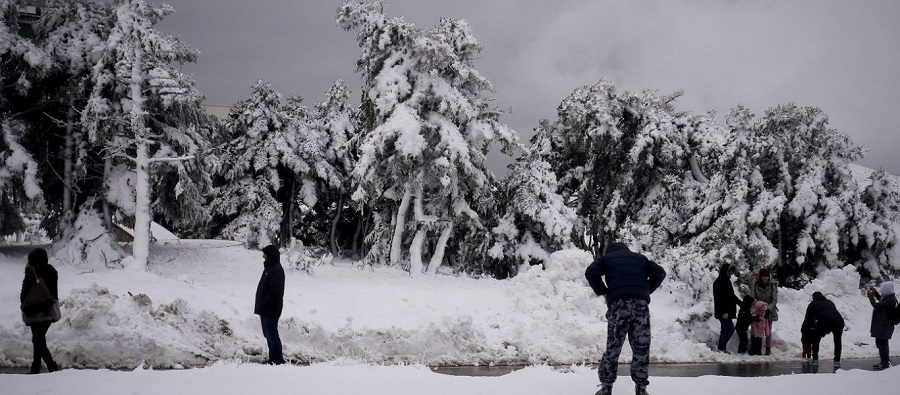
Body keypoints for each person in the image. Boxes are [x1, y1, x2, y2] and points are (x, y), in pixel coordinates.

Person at [585, 242, 667, 395]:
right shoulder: (640, 258)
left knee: (613, 348)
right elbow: (660, 273)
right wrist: (645, 290)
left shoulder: (606, 259)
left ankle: (606, 388)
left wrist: (604, 292)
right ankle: (641, 389)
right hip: (640, 307)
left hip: (619, 306)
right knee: (641, 348)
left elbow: (590, 272)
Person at [19, 248, 60, 374]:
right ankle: (37, 368)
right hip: (48, 309)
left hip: (34, 310)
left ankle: (51, 367)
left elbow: (24, 294)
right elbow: (54, 292)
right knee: (39, 339)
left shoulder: (31, 272)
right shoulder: (52, 271)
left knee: (38, 340)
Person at [255, 245, 286, 365]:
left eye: (265, 254)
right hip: (265, 308)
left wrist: (264, 303)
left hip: (271, 309)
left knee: (272, 335)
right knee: (268, 335)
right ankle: (272, 359)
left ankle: (278, 360)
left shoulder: (276, 270)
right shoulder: (270, 268)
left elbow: (274, 292)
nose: (263, 256)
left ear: (271, 255)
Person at [800, 291, 845, 368]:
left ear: (813, 297)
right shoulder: (830, 302)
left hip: (825, 322)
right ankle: (837, 361)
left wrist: (803, 329)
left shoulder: (812, 304)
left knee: (816, 338)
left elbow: (807, 319)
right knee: (837, 341)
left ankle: (815, 360)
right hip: (839, 322)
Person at [867, 281, 897, 370]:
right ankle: (885, 360)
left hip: (885, 326)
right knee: (881, 343)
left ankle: (885, 363)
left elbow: (876, 305)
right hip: (883, 326)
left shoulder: (890, 300)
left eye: (883, 289)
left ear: (887, 289)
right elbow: (881, 300)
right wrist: (876, 293)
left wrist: (871, 297)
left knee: (882, 343)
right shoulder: (889, 298)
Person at [712, 263, 741, 353]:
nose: (731, 273)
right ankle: (721, 348)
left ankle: (721, 348)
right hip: (723, 311)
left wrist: (742, 304)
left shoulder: (726, 280)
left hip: (726, 310)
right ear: (725, 271)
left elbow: (731, 296)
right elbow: (719, 299)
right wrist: (724, 312)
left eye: (731, 271)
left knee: (724, 329)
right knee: (730, 329)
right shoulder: (720, 282)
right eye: (729, 271)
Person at [749, 267, 778, 355]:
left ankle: (768, 349)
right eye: (764, 276)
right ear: (760, 277)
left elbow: (774, 299)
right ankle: (756, 348)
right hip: (758, 310)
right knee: (757, 330)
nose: (766, 278)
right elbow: (753, 297)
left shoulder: (772, 285)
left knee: (768, 331)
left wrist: (768, 309)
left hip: (769, 311)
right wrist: (756, 308)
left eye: (767, 276)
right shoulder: (755, 284)